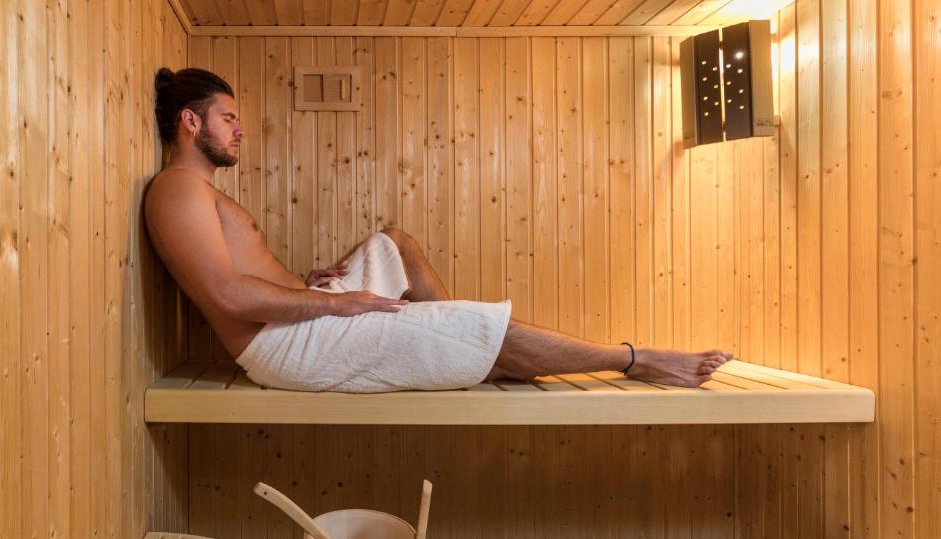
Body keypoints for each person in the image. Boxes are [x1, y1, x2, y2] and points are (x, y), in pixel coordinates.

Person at [145, 67, 733, 393]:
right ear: (191, 122)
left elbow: (240, 275)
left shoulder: (196, 192)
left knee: (393, 243)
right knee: (477, 327)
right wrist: (337, 302)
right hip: (289, 346)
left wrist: (305, 284)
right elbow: (226, 294)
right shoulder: (177, 189)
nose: (240, 130)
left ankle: (454, 341)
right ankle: (635, 359)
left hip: (304, 313)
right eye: (229, 118)